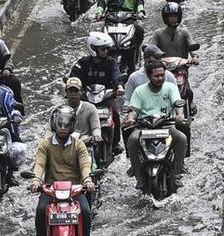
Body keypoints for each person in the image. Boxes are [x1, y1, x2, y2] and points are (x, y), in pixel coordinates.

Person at [30, 106, 97, 236]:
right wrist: (37, 180)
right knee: (41, 210)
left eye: (66, 125)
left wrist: (87, 180)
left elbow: (84, 165)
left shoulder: (79, 145)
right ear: (54, 124)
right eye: (59, 124)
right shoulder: (45, 144)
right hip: (51, 188)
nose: (62, 128)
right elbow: (39, 164)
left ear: (72, 125)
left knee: (85, 211)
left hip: (74, 188)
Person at [124, 59, 187, 191]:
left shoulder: (170, 87)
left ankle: (177, 173)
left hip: (167, 126)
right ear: (149, 76)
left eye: (162, 75)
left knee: (181, 138)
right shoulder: (139, 91)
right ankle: (138, 176)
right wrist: (130, 119)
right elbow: (134, 110)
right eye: (156, 76)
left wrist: (180, 115)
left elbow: (177, 103)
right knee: (132, 140)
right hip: (145, 127)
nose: (160, 78)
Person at [69, 32, 125, 154]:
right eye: (103, 49)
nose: (106, 51)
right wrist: (73, 87)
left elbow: (116, 74)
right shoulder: (82, 63)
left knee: (115, 114)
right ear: (93, 49)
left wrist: (119, 86)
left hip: (105, 98)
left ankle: (115, 143)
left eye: (107, 48)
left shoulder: (111, 62)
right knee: (71, 115)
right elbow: (74, 77)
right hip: (85, 98)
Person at [151, 2, 198, 113]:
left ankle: (191, 102)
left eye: (175, 16)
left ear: (179, 17)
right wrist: (151, 56)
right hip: (163, 68)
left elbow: (191, 44)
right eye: (170, 16)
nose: (173, 19)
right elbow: (152, 47)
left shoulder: (184, 32)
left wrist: (195, 57)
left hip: (181, 67)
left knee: (188, 90)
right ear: (165, 18)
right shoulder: (158, 33)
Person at [94, 0, 145, 74]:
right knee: (100, 37)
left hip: (129, 18)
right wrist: (99, 13)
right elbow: (102, 2)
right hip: (111, 17)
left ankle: (137, 54)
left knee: (140, 30)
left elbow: (139, 2)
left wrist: (141, 12)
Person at [63, 77, 101, 145]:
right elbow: (51, 129)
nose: (73, 94)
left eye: (76, 91)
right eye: (71, 91)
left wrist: (96, 136)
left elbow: (96, 127)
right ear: (66, 93)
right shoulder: (61, 109)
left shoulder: (90, 108)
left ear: (81, 92)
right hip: (64, 144)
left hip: (85, 144)